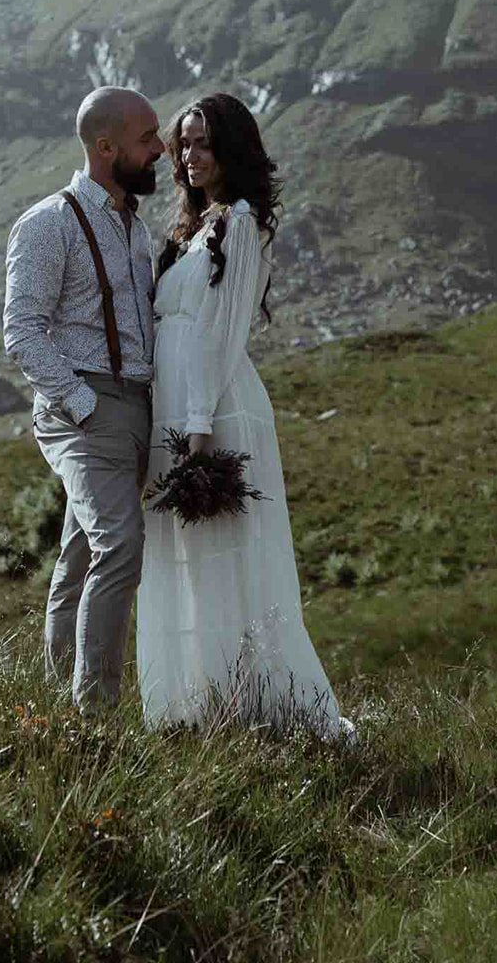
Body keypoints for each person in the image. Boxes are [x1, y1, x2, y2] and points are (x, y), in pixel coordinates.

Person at [137, 91, 351, 738]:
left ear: (230, 148)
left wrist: (197, 430)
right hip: (173, 403)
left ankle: (255, 707)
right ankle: (195, 706)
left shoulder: (241, 222)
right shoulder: (189, 231)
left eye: (203, 143)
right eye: (183, 144)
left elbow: (220, 333)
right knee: (183, 555)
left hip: (214, 406)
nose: (190, 156)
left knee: (224, 554)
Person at [4, 86, 165, 710]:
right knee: (119, 547)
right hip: (87, 410)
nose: (160, 149)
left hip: (134, 408)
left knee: (78, 558)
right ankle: (93, 718)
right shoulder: (47, 223)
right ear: (106, 147)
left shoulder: (133, 226)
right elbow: (21, 329)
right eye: (147, 138)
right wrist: (84, 405)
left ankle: (56, 712)